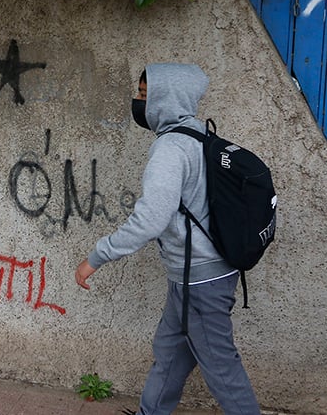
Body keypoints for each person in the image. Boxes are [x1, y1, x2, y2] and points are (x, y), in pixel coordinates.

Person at [74, 63, 261, 415]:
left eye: (145, 95)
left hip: (201, 281)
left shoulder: (171, 149)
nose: (138, 101)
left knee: (222, 370)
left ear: (167, 98)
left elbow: (150, 220)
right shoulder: (199, 136)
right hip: (193, 275)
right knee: (171, 354)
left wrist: (96, 257)